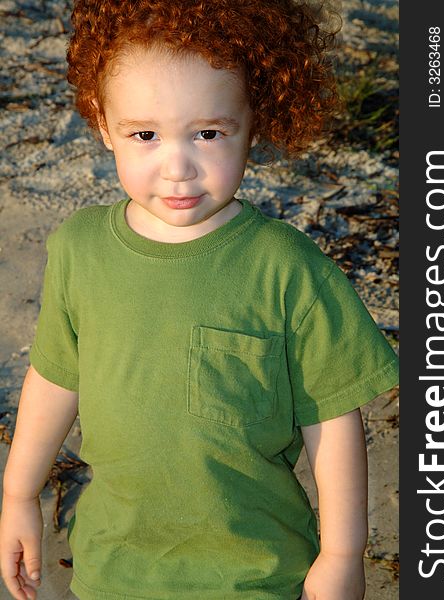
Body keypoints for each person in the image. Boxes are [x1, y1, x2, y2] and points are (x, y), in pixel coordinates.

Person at [0, 1, 399, 599]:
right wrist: (19, 495)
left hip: (255, 573)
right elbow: (55, 377)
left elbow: (332, 418)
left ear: (251, 122)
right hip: (113, 569)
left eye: (208, 133)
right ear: (104, 124)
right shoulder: (80, 249)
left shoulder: (287, 269)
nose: (178, 167)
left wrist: (342, 554)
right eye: (145, 135)